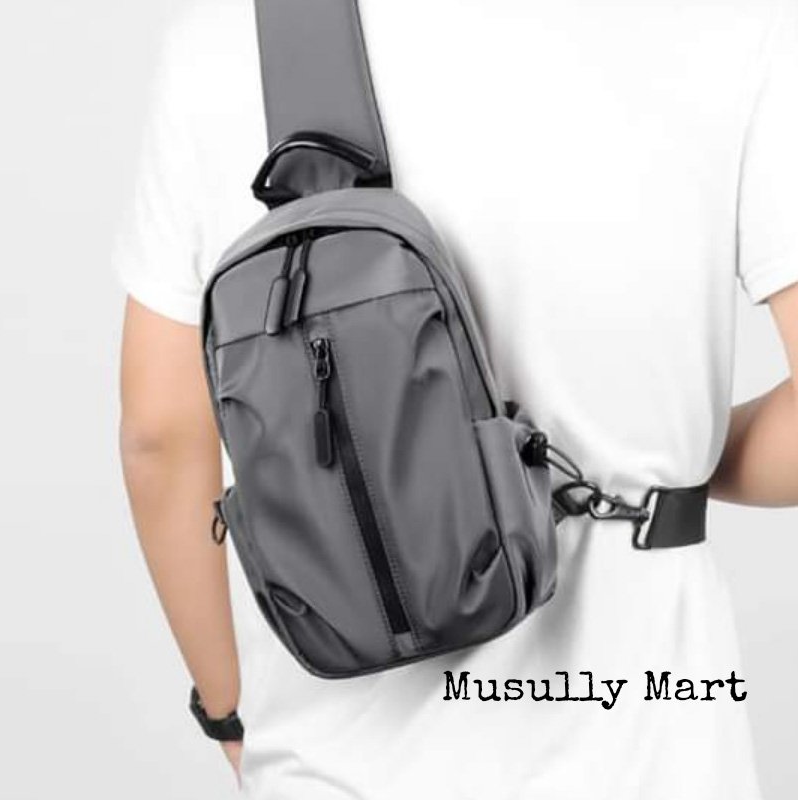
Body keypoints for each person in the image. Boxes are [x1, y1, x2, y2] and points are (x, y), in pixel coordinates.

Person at [114, 1, 798, 797]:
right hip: (654, 754)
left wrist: (229, 713)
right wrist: (670, 467)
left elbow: (159, 436)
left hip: (333, 766)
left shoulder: (234, 38)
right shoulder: (734, 24)